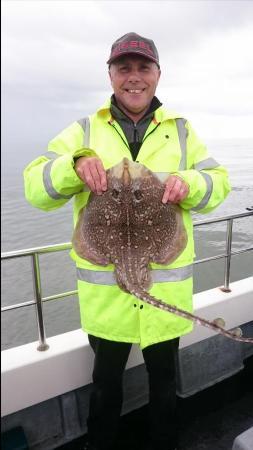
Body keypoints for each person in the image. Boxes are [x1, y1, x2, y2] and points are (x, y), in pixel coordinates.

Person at [24, 32, 231, 450]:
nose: (134, 77)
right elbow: (35, 187)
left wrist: (187, 183)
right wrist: (73, 164)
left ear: (157, 74)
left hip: (165, 293)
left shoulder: (183, 130)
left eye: (143, 68)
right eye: (124, 68)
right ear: (110, 75)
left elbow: (219, 184)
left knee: (164, 386)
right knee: (105, 388)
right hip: (107, 303)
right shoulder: (82, 130)